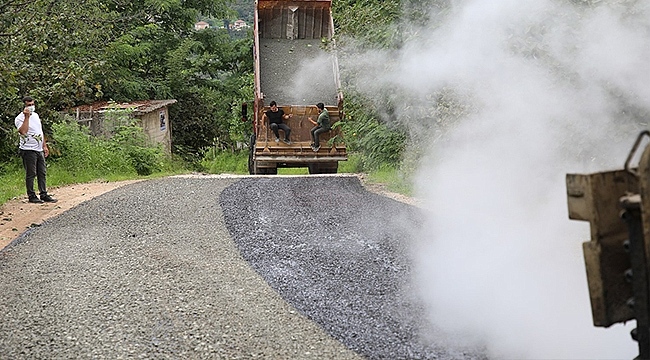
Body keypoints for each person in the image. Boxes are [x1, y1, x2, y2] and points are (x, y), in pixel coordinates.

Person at [15, 96, 57, 204]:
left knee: (42, 172)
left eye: (32, 104)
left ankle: (43, 193)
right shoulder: (19, 118)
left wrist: (44, 145)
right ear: (24, 106)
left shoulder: (36, 116)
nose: (31, 107)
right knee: (31, 173)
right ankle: (31, 195)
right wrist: (27, 117)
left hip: (39, 149)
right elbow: (23, 131)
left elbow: (40, 131)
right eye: (28, 105)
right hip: (28, 149)